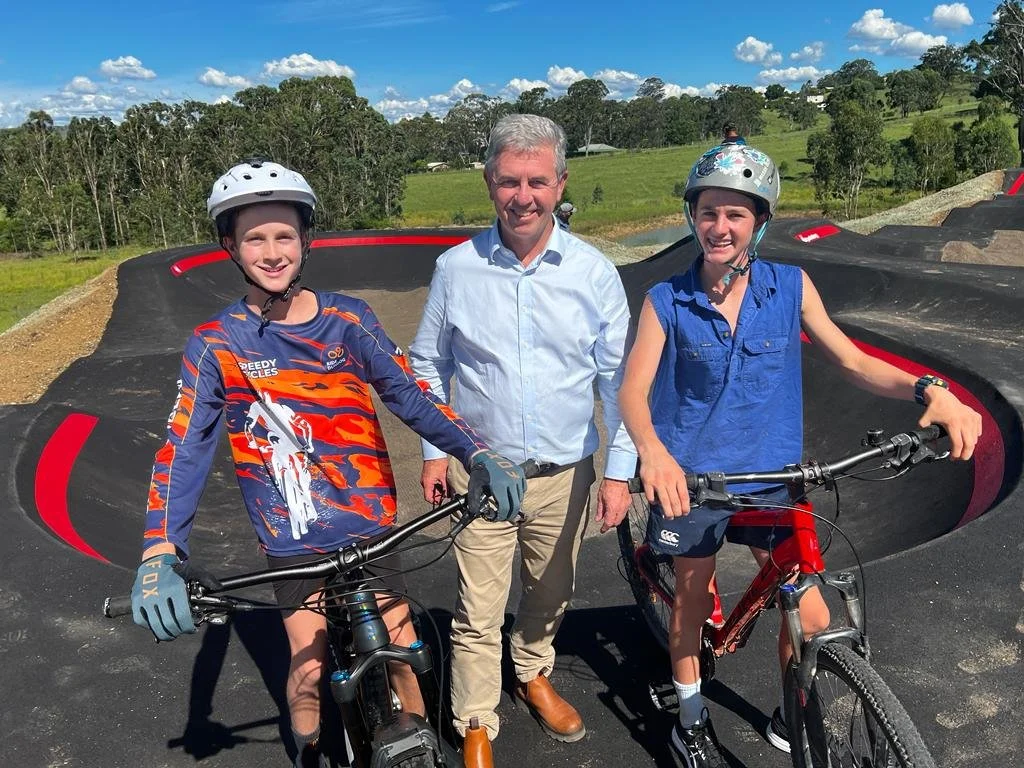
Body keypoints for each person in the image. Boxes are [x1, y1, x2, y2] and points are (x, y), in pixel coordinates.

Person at [130, 159, 526, 768]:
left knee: (402, 650)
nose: (271, 251)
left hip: (371, 530)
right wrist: (161, 552)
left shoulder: (347, 320)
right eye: (254, 237)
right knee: (308, 671)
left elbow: (411, 395)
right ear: (229, 246)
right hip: (293, 542)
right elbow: (183, 449)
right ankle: (312, 752)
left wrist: (476, 451)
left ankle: (416, 747)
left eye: (283, 235)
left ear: (305, 240)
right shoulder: (216, 344)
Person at [617, 142, 982, 768]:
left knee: (807, 609)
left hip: (773, 478)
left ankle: (796, 700)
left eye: (736, 214)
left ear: (760, 222)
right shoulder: (666, 300)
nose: (720, 227)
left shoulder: (791, 286)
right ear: (693, 218)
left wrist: (931, 389)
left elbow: (853, 360)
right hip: (691, 482)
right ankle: (691, 715)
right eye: (709, 212)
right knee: (691, 597)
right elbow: (633, 390)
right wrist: (652, 452)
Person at [408, 114, 637, 768]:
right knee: (478, 606)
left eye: (537, 180)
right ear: (489, 183)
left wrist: (619, 470)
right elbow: (428, 363)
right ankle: (476, 717)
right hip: (480, 474)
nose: (523, 195)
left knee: (549, 591)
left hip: (566, 474)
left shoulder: (593, 273)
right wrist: (434, 450)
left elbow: (617, 379)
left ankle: (533, 672)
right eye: (509, 181)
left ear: (561, 182)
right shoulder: (456, 269)